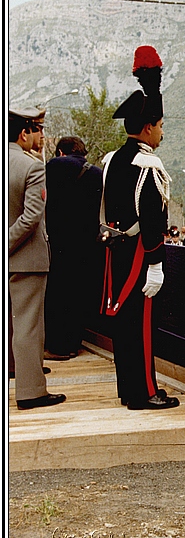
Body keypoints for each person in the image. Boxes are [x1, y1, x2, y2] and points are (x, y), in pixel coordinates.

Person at [101, 46, 179, 410]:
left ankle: (128, 390)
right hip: (138, 255)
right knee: (143, 325)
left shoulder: (113, 159)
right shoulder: (148, 165)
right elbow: (152, 219)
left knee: (123, 325)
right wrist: (157, 262)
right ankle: (146, 392)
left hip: (115, 251)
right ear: (147, 128)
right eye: (161, 126)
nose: (162, 133)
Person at [9, 107, 66, 410]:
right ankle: (31, 391)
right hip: (26, 257)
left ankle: (14, 371)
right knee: (28, 326)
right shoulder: (31, 167)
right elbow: (32, 216)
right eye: (38, 130)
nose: (42, 136)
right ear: (24, 133)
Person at [44, 135, 103, 358]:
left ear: (61, 151)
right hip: (88, 246)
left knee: (57, 293)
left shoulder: (55, 166)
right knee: (79, 293)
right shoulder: (96, 173)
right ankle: (73, 343)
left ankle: (56, 346)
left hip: (59, 243)